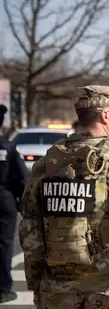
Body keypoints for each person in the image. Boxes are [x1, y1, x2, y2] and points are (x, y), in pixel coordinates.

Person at [19, 85, 109, 308]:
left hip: (58, 292)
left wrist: (36, 284)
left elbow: (30, 227)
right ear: (105, 115)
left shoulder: (47, 164)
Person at [0, 105, 29, 303]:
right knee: (4, 244)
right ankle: (3, 289)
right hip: (4, 201)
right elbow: (22, 178)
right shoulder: (7, 148)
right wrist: (22, 204)